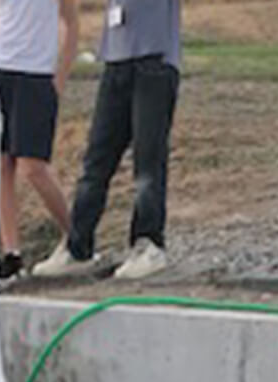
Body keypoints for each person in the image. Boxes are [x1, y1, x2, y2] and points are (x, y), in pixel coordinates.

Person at [32, 0, 182, 281]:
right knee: (96, 162)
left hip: (155, 60)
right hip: (116, 61)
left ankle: (148, 244)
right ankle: (78, 247)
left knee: (147, 164)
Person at [0, 0, 79, 286]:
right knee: (1, 164)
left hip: (36, 75)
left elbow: (71, 23)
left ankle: (78, 237)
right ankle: (11, 253)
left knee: (33, 167)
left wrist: (60, 79)